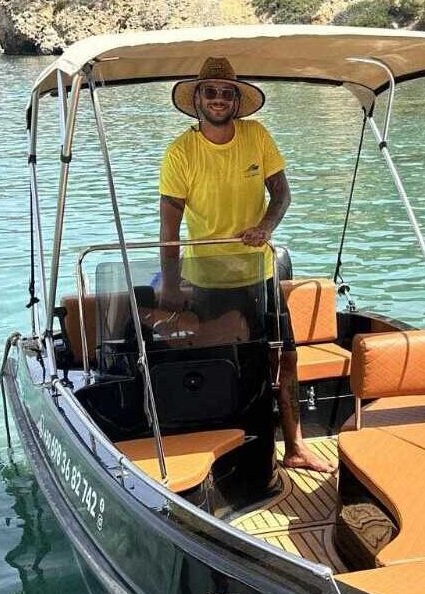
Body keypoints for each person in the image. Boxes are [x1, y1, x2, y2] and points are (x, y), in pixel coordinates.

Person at [158, 57, 333, 473]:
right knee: (223, 365)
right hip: (207, 280)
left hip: (261, 272)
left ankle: (293, 446)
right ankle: (224, 453)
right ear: (197, 99)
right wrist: (169, 286)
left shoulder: (257, 136)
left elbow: (282, 195)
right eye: (211, 92)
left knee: (285, 357)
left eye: (226, 93)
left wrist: (267, 226)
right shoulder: (180, 152)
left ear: (237, 100)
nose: (218, 100)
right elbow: (169, 226)